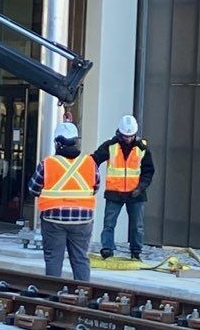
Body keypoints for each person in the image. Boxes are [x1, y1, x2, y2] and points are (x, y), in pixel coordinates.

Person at [27, 122, 98, 281]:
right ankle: (82, 294)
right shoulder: (89, 163)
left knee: (53, 258)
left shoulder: (48, 164)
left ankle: (52, 296)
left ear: (57, 143)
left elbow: (33, 189)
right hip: (83, 219)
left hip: (53, 218)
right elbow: (95, 186)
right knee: (80, 258)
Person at [92, 114, 154, 261]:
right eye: (125, 136)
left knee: (137, 226)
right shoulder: (110, 146)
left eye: (131, 136)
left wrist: (140, 187)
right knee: (109, 223)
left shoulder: (142, 149)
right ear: (119, 133)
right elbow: (94, 160)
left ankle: (136, 252)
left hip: (135, 193)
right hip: (114, 192)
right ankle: (107, 249)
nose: (128, 139)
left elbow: (148, 171)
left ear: (135, 134)